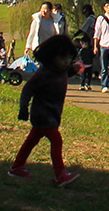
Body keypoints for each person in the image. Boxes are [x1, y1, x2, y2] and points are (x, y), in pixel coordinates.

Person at [10, 33, 79, 187]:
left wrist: (72, 70)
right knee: (56, 140)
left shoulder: (60, 71)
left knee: (32, 140)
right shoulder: (44, 73)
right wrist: (23, 109)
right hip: (43, 114)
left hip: (52, 114)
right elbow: (27, 90)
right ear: (51, 57)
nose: (66, 62)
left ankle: (17, 166)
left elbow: (63, 74)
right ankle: (60, 173)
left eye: (69, 58)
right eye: (63, 59)